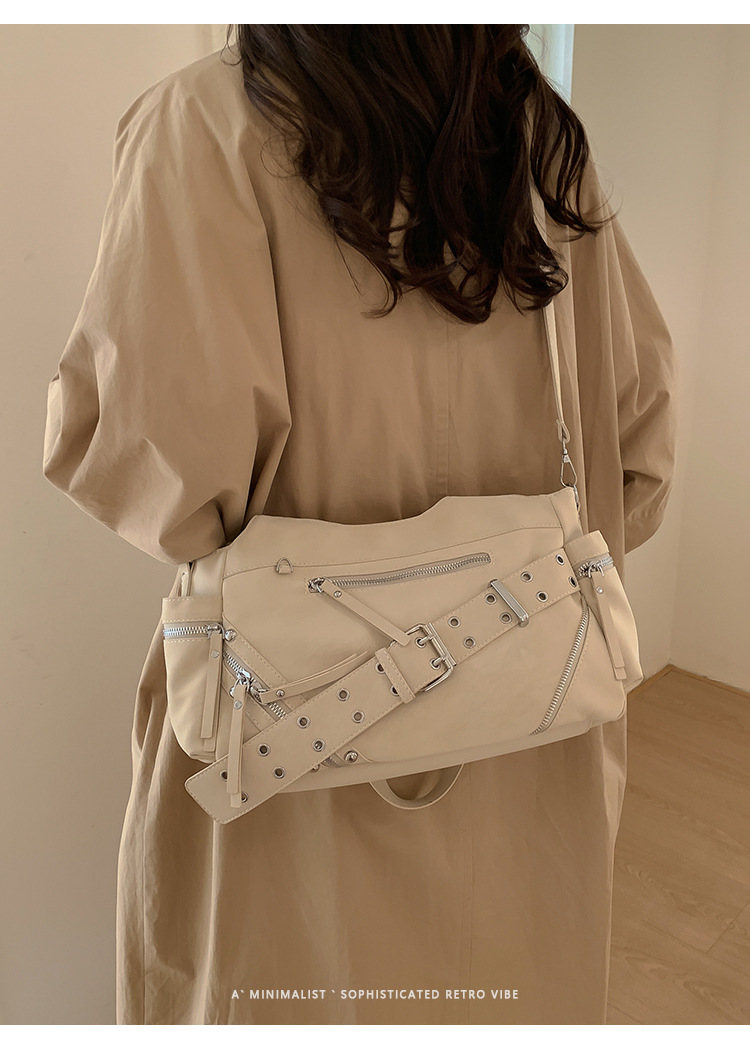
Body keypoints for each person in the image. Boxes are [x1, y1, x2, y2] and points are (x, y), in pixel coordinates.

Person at [42, 25, 677, 1025]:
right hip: (534, 734)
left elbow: (165, 481)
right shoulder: (541, 141)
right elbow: (638, 454)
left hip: (284, 753)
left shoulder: (203, 125)